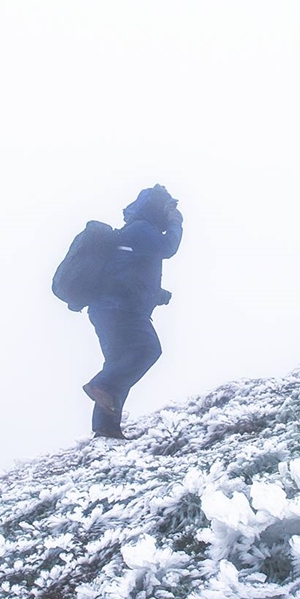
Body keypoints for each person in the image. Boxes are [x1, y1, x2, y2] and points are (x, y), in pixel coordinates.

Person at [83, 185, 183, 439]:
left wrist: (157, 294)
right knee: (147, 350)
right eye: (167, 207)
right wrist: (176, 222)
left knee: (118, 364)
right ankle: (101, 385)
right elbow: (168, 247)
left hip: (108, 307)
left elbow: (126, 271)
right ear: (156, 208)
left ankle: (106, 429)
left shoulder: (135, 231)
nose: (171, 211)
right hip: (120, 308)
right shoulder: (141, 228)